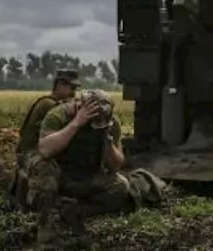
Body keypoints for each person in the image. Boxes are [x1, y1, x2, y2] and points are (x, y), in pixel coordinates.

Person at [23, 89, 137, 238]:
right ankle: (47, 215)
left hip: (85, 173)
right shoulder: (59, 115)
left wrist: (108, 143)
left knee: (121, 187)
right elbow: (45, 150)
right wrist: (76, 124)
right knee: (43, 167)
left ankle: (73, 210)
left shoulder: (111, 123)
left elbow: (115, 166)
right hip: (58, 172)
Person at [8, 69, 80, 204]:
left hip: (41, 149)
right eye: (72, 88)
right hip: (29, 152)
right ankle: (34, 201)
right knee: (47, 168)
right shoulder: (50, 105)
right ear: (60, 85)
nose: (73, 93)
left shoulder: (53, 104)